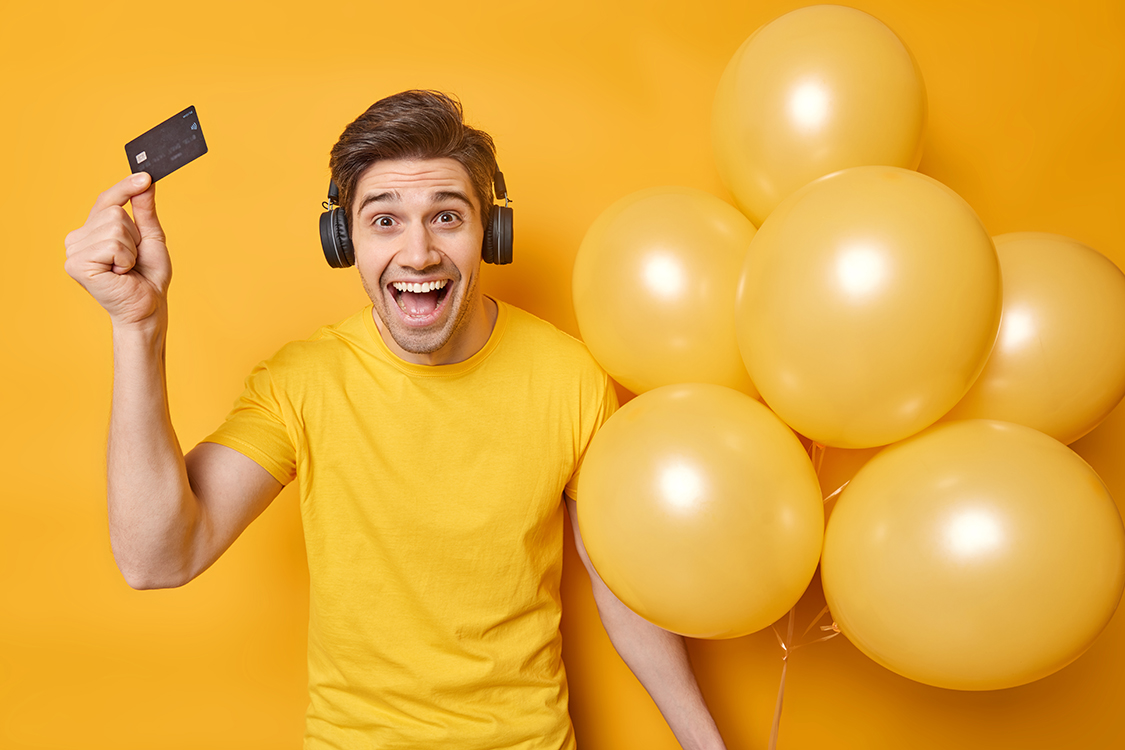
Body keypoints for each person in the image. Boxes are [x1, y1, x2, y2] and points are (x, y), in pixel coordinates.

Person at [63, 90, 726, 750]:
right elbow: (156, 559)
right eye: (384, 221)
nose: (417, 254)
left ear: (490, 233)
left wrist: (704, 743)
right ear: (342, 239)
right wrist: (137, 326)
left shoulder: (570, 376)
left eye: (446, 217)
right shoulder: (303, 382)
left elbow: (622, 589)